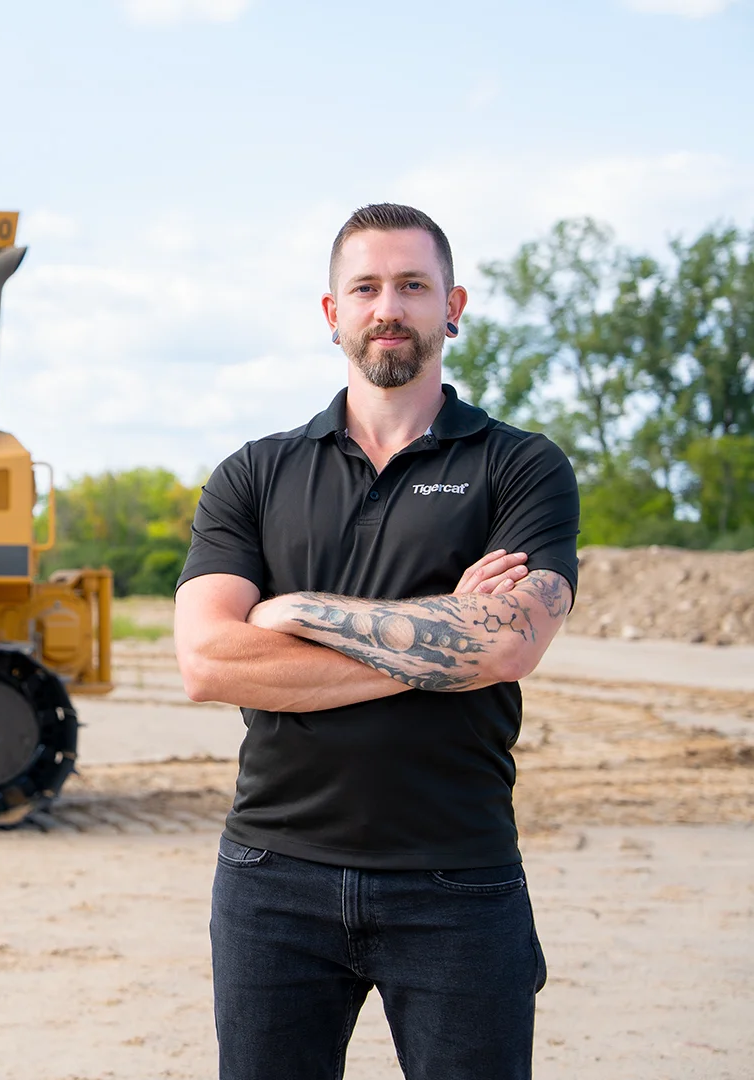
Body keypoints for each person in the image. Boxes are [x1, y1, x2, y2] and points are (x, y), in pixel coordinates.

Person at [173, 203, 580, 1080]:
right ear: (333, 313)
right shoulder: (256, 472)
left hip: (457, 881)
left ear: (453, 305)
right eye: (365, 287)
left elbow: (507, 648)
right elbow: (207, 661)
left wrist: (290, 614)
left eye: (412, 286)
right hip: (271, 877)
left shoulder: (521, 466)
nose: (387, 306)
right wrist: (440, 643)